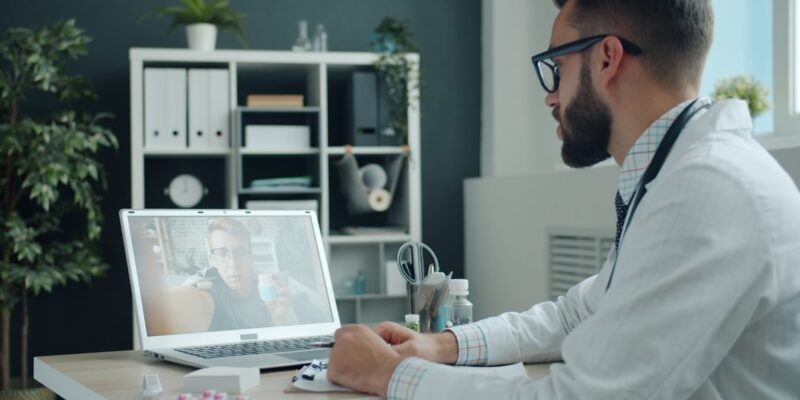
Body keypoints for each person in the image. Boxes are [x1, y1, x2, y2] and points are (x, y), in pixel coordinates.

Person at [326, 1, 800, 398]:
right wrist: (442, 345)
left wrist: (383, 373)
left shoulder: (709, 188)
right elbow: (577, 313)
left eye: (557, 67)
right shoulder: (678, 173)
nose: (550, 97)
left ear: (607, 58)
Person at [161, 218, 297, 333]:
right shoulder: (208, 286)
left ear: (251, 257)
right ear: (212, 259)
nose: (233, 264)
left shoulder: (267, 288)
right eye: (222, 253)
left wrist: (279, 319)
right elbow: (177, 306)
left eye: (241, 252)